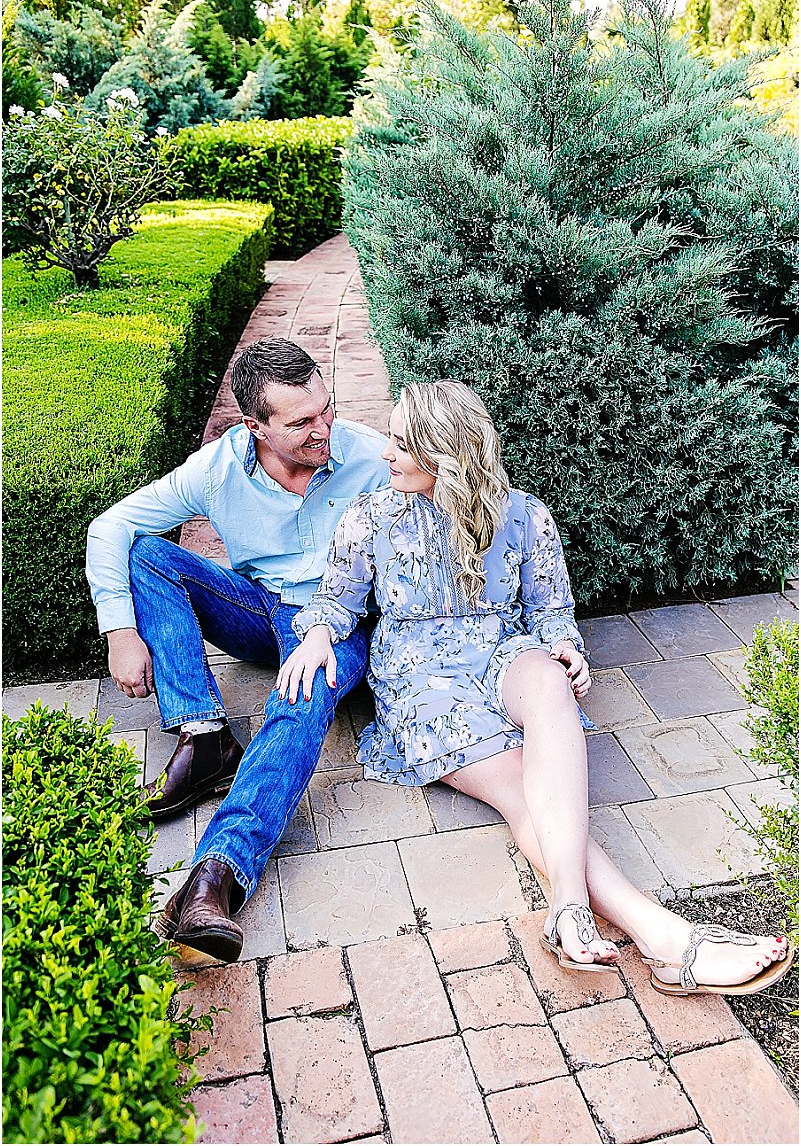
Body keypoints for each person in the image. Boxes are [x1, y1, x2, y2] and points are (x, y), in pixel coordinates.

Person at [278, 379, 793, 995]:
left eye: (402, 443)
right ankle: (667, 940)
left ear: (444, 455)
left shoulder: (523, 515)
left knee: (549, 681)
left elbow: (550, 609)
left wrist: (566, 648)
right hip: (420, 677)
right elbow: (337, 600)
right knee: (527, 791)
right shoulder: (370, 518)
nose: (385, 453)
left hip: (500, 648)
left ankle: (569, 909)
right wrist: (316, 635)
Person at [86, 338, 389, 962]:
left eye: (326, 409)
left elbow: (458, 516)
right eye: (300, 423)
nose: (322, 430)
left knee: (301, 695)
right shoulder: (218, 468)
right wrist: (119, 630)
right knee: (148, 554)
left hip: (340, 621)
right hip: (261, 608)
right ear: (255, 426)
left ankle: (216, 875)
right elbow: (111, 526)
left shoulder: (370, 456)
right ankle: (205, 736)